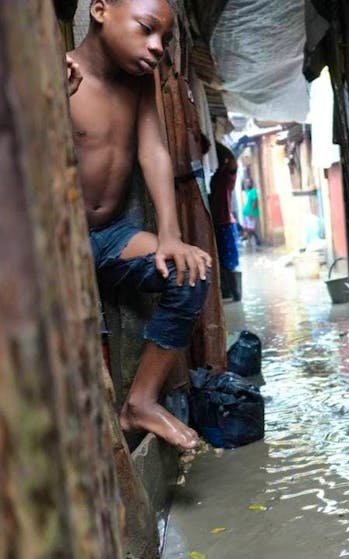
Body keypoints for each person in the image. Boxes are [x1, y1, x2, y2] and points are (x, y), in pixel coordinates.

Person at [67, 0, 209, 450]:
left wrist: (170, 235)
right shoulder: (57, 74)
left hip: (107, 238)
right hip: (46, 248)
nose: (156, 47)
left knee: (191, 273)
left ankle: (140, 403)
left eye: (164, 39)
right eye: (147, 29)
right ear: (100, 10)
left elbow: (153, 151)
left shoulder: (140, 81)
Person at [209, 144, 241, 301]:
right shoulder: (218, 174)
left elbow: (233, 160)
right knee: (222, 259)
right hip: (218, 221)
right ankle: (229, 290)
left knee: (227, 260)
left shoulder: (228, 174)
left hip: (225, 222)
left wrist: (217, 144)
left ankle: (235, 291)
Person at [241, 175, 263, 247]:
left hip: (251, 213)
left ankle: (257, 240)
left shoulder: (253, 191)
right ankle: (249, 240)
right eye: (246, 183)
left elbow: (255, 202)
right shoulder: (247, 192)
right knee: (247, 228)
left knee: (251, 229)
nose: (247, 184)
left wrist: (251, 212)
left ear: (251, 183)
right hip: (245, 213)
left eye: (248, 183)